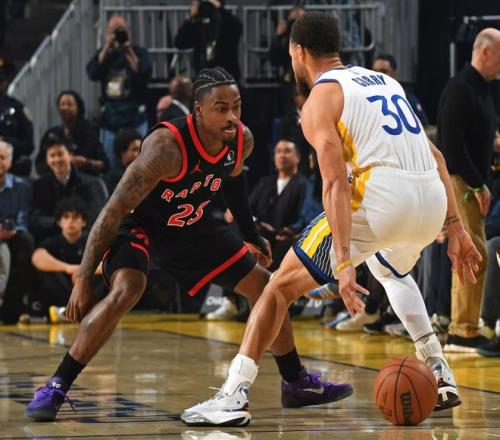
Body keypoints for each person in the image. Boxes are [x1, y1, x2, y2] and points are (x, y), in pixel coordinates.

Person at [181, 12, 483, 426]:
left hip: (384, 198)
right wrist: (456, 227)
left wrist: (342, 262)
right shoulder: (386, 82)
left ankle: (232, 395)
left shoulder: (320, 99)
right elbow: (438, 157)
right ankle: (438, 368)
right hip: (430, 200)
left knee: (277, 288)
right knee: (390, 270)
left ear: (299, 51)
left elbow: (335, 182)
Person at [25, 67, 351, 422]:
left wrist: (249, 232)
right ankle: (56, 385)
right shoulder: (165, 148)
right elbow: (112, 211)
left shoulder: (241, 139)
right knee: (128, 288)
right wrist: (83, 278)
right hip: (141, 225)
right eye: (221, 108)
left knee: (266, 286)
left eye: (236, 107)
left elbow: (234, 181)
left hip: (190, 224)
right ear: (198, 111)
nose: (231, 117)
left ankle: (295, 381)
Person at [437, 28, 500, 353]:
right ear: (485, 52)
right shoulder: (460, 87)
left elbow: (477, 134)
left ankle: (466, 327)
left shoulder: (481, 89)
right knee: (471, 253)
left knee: (475, 253)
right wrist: (477, 184)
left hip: (473, 181)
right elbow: (451, 145)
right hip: (461, 182)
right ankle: (462, 331)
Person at [87, 15, 152, 167]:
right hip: (111, 121)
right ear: (107, 33)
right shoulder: (105, 55)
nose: (118, 34)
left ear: (129, 31)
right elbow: (92, 72)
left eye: (121, 30)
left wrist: (128, 50)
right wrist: (106, 47)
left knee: (141, 165)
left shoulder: (139, 52)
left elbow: (143, 72)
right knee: (110, 165)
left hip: (135, 119)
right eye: (113, 31)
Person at [31, 197, 103, 324]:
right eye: (66, 217)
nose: (71, 221)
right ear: (59, 222)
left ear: (83, 222)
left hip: (85, 289)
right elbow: (37, 257)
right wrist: (68, 268)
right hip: (62, 289)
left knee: (104, 275)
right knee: (45, 274)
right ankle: (65, 310)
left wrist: (82, 273)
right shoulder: (52, 242)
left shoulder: (92, 241)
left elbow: (107, 263)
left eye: (75, 217)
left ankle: (83, 309)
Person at [31, 140, 108, 243]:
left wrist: (75, 227)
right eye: (52, 155)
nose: (57, 159)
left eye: (60, 154)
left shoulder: (93, 183)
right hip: (52, 238)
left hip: (86, 238)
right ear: (47, 159)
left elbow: (99, 216)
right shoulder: (40, 185)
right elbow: (37, 218)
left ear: (70, 155)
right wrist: (60, 223)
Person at [249, 138, 307, 270]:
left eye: (287, 151)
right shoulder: (266, 182)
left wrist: (288, 231)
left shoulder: (304, 184)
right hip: (260, 232)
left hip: (284, 238)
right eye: (278, 152)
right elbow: (249, 207)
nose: (282, 155)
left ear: (297, 157)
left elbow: (304, 217)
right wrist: (257, 222)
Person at [36, 90, 109, 176]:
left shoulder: (89, 132)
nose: (65, 108)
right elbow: (39, 165)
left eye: (69, 104)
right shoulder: (51, 134)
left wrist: (86, 162)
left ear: (78, 108)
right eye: (62, 104)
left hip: (85, 178)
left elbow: (105, 165)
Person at [0, 140, 34, 324]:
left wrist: (12, 231)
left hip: (13, 236)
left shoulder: (22, 186)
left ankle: (11, 310)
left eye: (2, 157)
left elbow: (23, 219)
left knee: (26, 241)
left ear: (10, 161)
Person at [175, 1, 243, 81]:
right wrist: (189, 19)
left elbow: (237, 28)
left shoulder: (226, 23)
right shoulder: (198, 25)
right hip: (205, 78)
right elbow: (180, 43)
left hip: (227, 78)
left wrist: (219, 8)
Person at [372, 54, 429, 127]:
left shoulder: (406, 98)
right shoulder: (363, 96)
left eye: (384, 71)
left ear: (394, 74)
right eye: (374, 71)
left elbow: (424, 124)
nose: (378, 75)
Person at [0, 57, 34, 176]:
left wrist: (4, 141)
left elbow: (28, 146)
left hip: (10, 172)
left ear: (5, 82)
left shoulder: (17, 108)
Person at [105, 128, 141, 193]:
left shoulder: (143, 172)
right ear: (122, 153)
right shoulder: (115, 177)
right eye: (135, 149)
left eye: (140, 149)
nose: (139, 153)